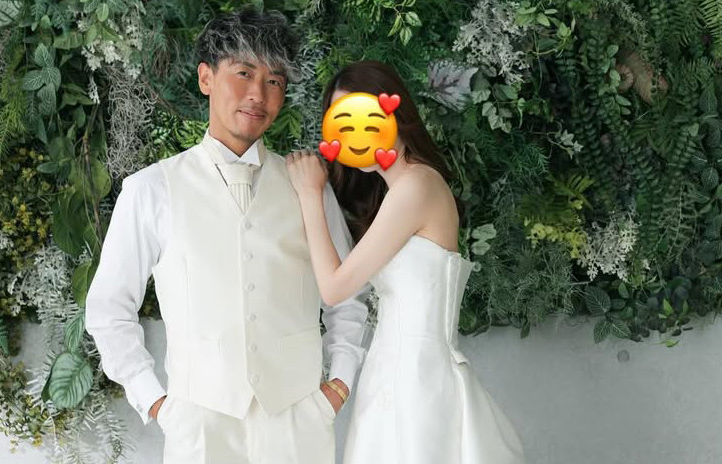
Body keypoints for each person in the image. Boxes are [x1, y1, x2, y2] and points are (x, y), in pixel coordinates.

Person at [85, 8, 370, 464]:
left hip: (298, 423)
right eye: (243, 73)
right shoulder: (151, 189)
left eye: (274, 81)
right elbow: (108, 308)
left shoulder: (307, 184)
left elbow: (348, 295)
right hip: (199, 426)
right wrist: (158, 404)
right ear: (206, 78)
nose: (258, 94)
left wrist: (337, 387)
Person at [286, 60, 525, 464]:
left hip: (415, 381)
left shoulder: (415, 187)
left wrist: (310, 195)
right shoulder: (406, 187)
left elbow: (335, 288)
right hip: (400, 374)